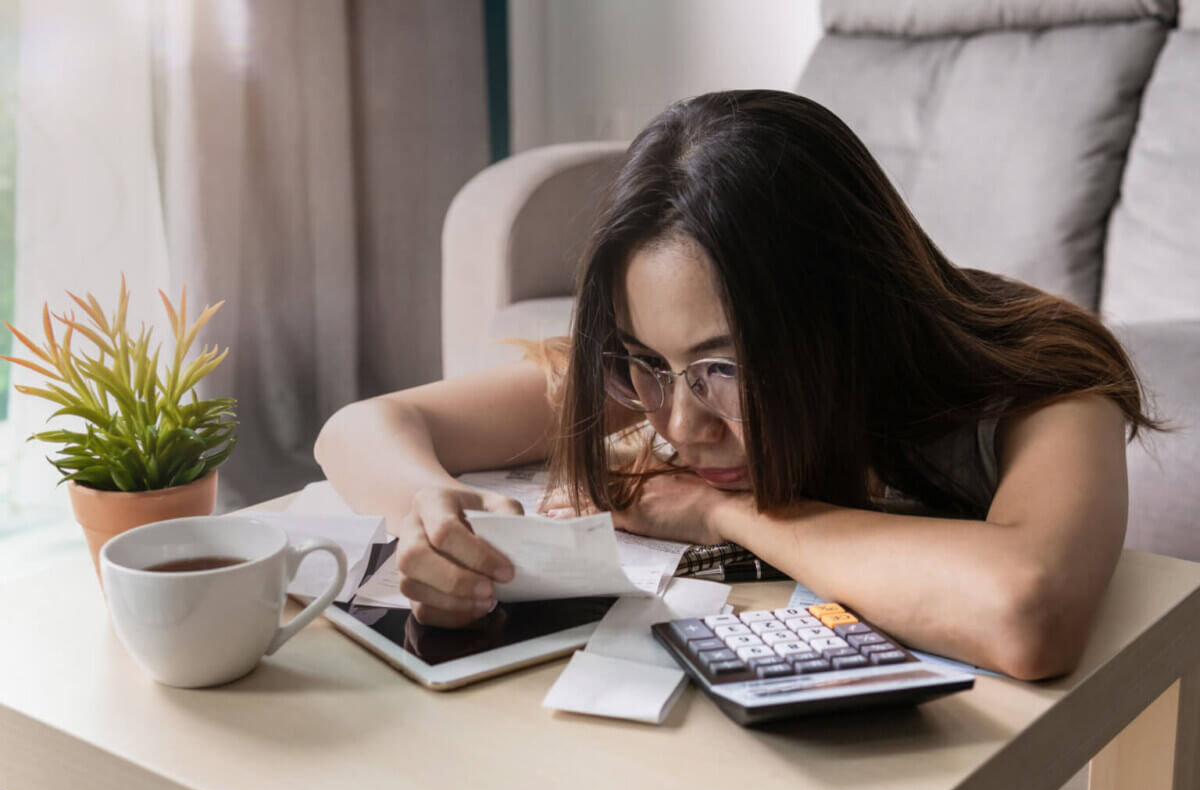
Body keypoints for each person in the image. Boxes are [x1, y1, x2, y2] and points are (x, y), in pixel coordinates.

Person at [314, 90, 1163, 680]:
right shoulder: (654, 374)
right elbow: (362, 427)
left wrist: (727, 512)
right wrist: (426, 508)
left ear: (841, 322)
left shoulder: (1043, 380)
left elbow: (1027, 614)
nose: (680, 426)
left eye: (721, 369)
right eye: (649, 363)